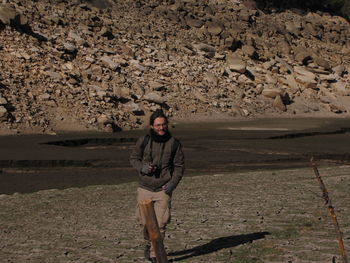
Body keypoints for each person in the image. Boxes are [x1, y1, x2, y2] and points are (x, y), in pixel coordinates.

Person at [130, 109, 185, 263]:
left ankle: (155, 255)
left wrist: (172, 184)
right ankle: (148, 244)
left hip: (163, 190)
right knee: (145, 224)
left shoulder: (174, 143)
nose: (161, 128)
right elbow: (134, 159)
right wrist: (143, 168)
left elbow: (179, 167)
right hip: (145, 189)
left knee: (161, 223)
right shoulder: (144, 141)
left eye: (164, 124)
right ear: (152, 126)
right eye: (158, 125)